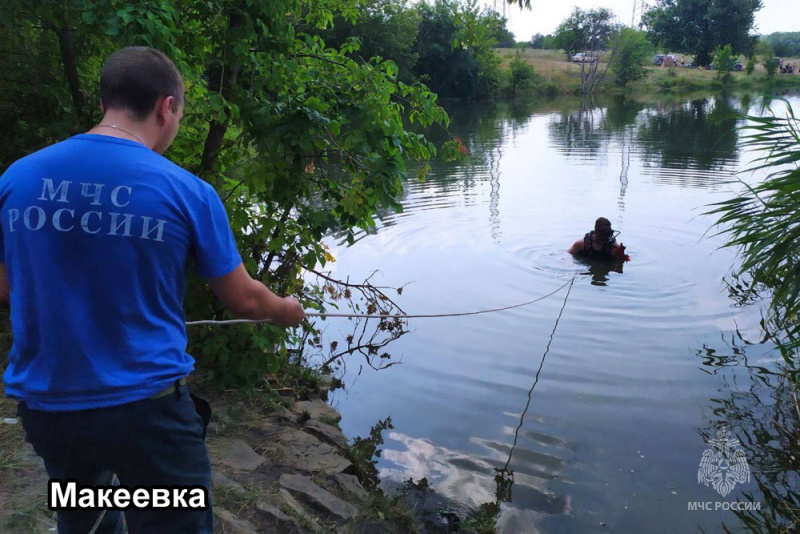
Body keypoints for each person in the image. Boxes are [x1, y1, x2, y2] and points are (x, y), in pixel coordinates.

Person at [0, 46, 305, 533]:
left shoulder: (18, 177)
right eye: (180, 113)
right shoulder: (186, 191)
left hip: (52, 410)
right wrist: (285, 310)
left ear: (107, 100)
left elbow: (8, 286)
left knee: (87, 519)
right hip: (148, 415)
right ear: (167, 107)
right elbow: (245, 300)